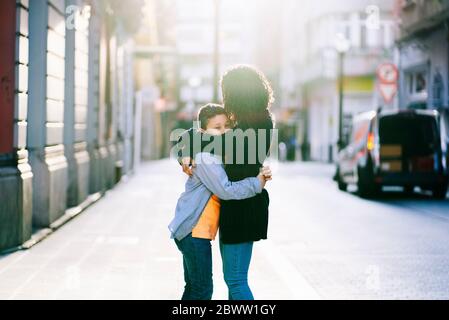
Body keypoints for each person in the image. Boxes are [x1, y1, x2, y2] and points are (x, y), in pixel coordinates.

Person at [180, 65, 275, 300]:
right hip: (239, 204)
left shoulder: (255, 124)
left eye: (227, 92)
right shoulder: (246, 122)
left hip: (243, 204)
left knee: (235, 280)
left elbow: (208, 140)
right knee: (234, 279)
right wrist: (184, 150)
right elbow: (198, 137)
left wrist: (188, 145)